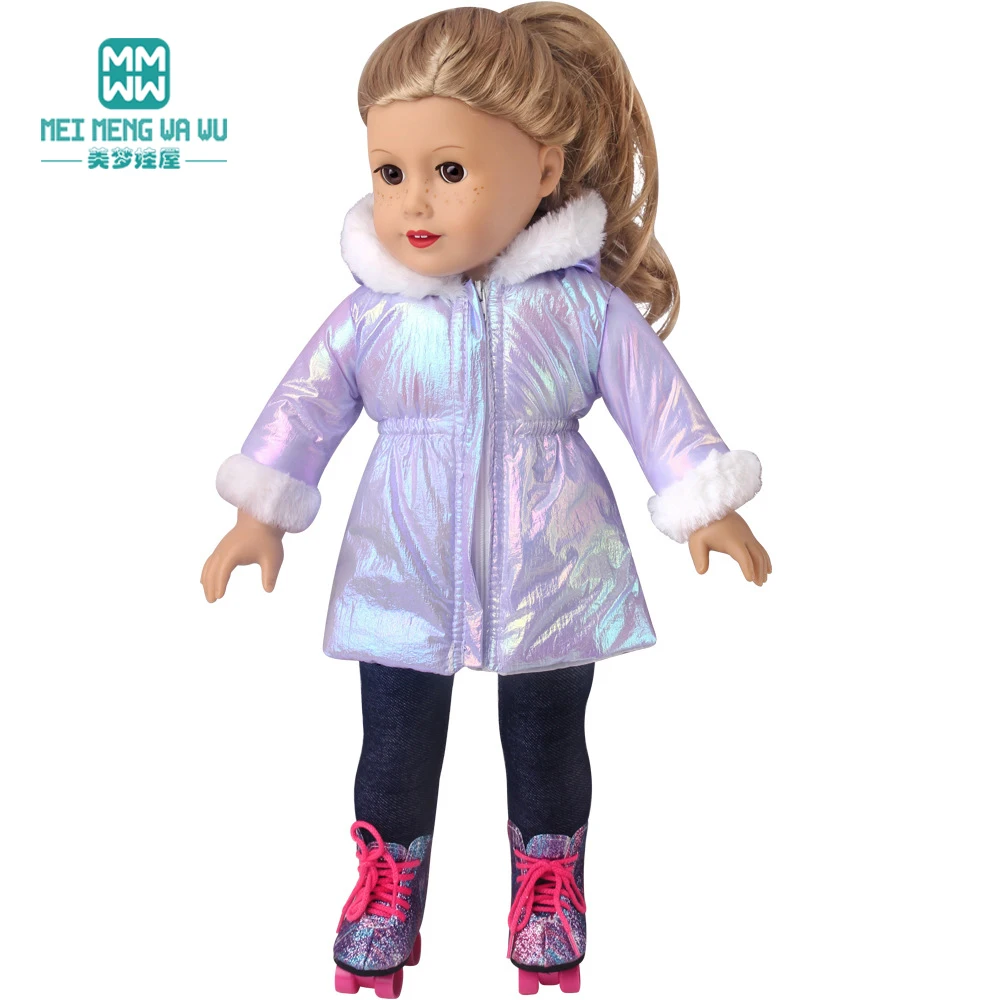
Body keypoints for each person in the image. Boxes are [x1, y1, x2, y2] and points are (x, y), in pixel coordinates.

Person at [201, 5, 771, 996]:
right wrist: (261, 511)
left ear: (543, 171)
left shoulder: (582, 309)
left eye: (450, 169)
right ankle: (386, 890)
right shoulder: (374, 315)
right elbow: (306, 404)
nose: (413, 200)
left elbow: (655, 401)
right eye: (390, 172)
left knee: (549, 741)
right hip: (400, 563)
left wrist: (702, 495)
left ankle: (548, 891)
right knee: (392, 745)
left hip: (556, 560)